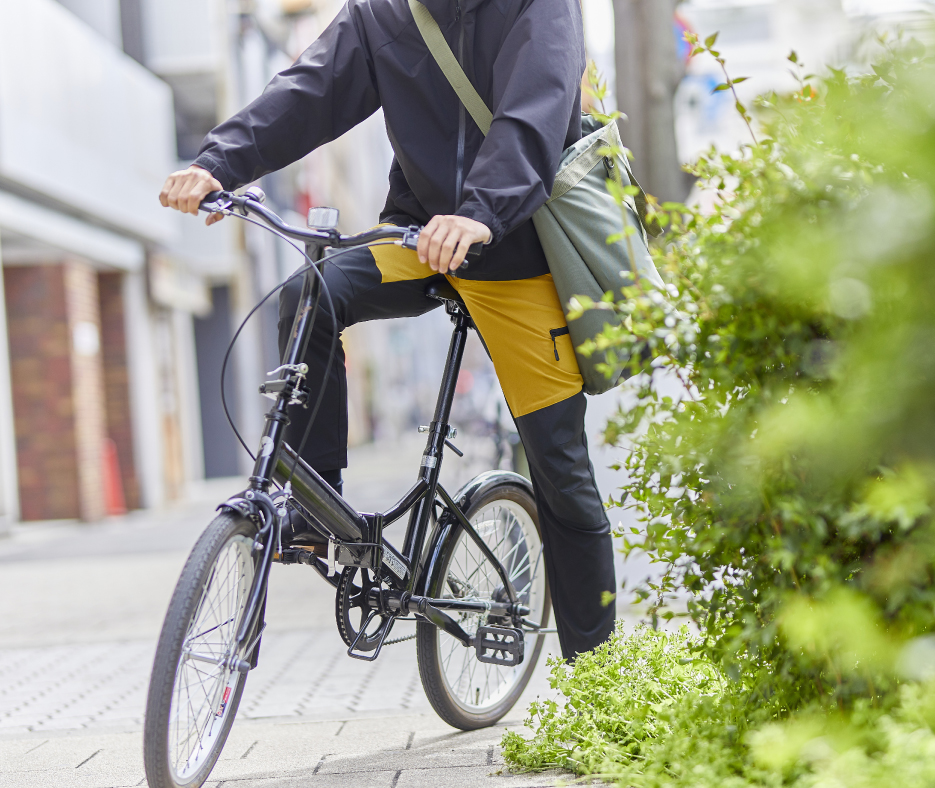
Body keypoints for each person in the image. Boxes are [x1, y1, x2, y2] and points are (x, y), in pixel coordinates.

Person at [158, 0, 614, 661]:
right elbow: (309, 89)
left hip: (515, 251)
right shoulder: (383, 12)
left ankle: (600, 677)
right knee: (310, 294)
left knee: (562, 473)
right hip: (420, 236)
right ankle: (317, 503)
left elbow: (535, 106)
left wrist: (483, 212)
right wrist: (219, 162)